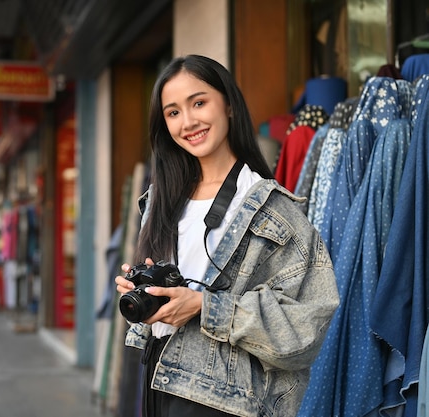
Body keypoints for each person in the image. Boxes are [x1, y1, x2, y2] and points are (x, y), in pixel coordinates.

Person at [114, 55, 340, 417]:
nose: (188, 122)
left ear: (230, 105)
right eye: (173, 112)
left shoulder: (274, 211)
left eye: (199, 103)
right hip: (158, 382)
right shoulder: (160, 201)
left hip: (228, 404)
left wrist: (206, 307)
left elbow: (306, 329)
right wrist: (144, 293)